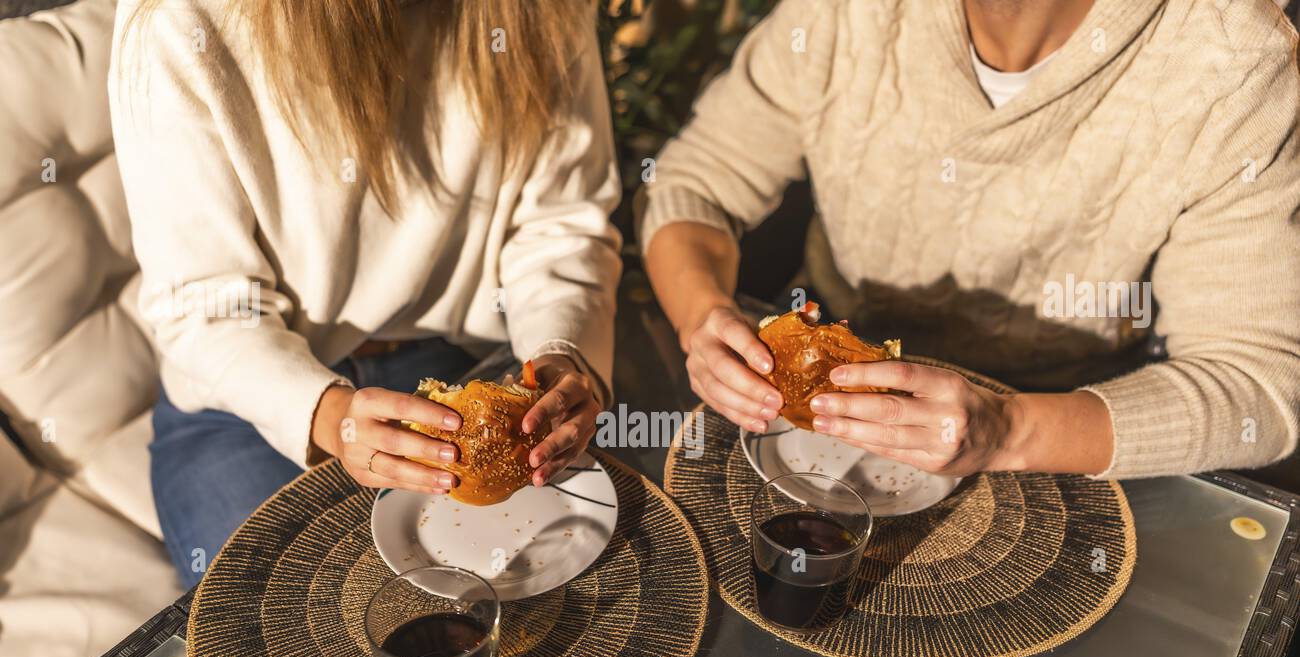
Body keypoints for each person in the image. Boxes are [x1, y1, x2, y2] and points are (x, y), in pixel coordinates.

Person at [642, 0, 1300, 480]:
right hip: (824, 388)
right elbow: (697, 181)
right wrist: (703, 316)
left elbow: (1259, 383)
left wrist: (1007, 430)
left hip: (1059, 422)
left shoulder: (1233, 60)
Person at [109, 0, 620, 586]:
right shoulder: (184, 17)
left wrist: (562, 353)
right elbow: (204, 302)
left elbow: (560, 226)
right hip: (242, 404)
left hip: (450, 366)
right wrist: (330, 416)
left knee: (558, 592)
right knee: (292, 634)